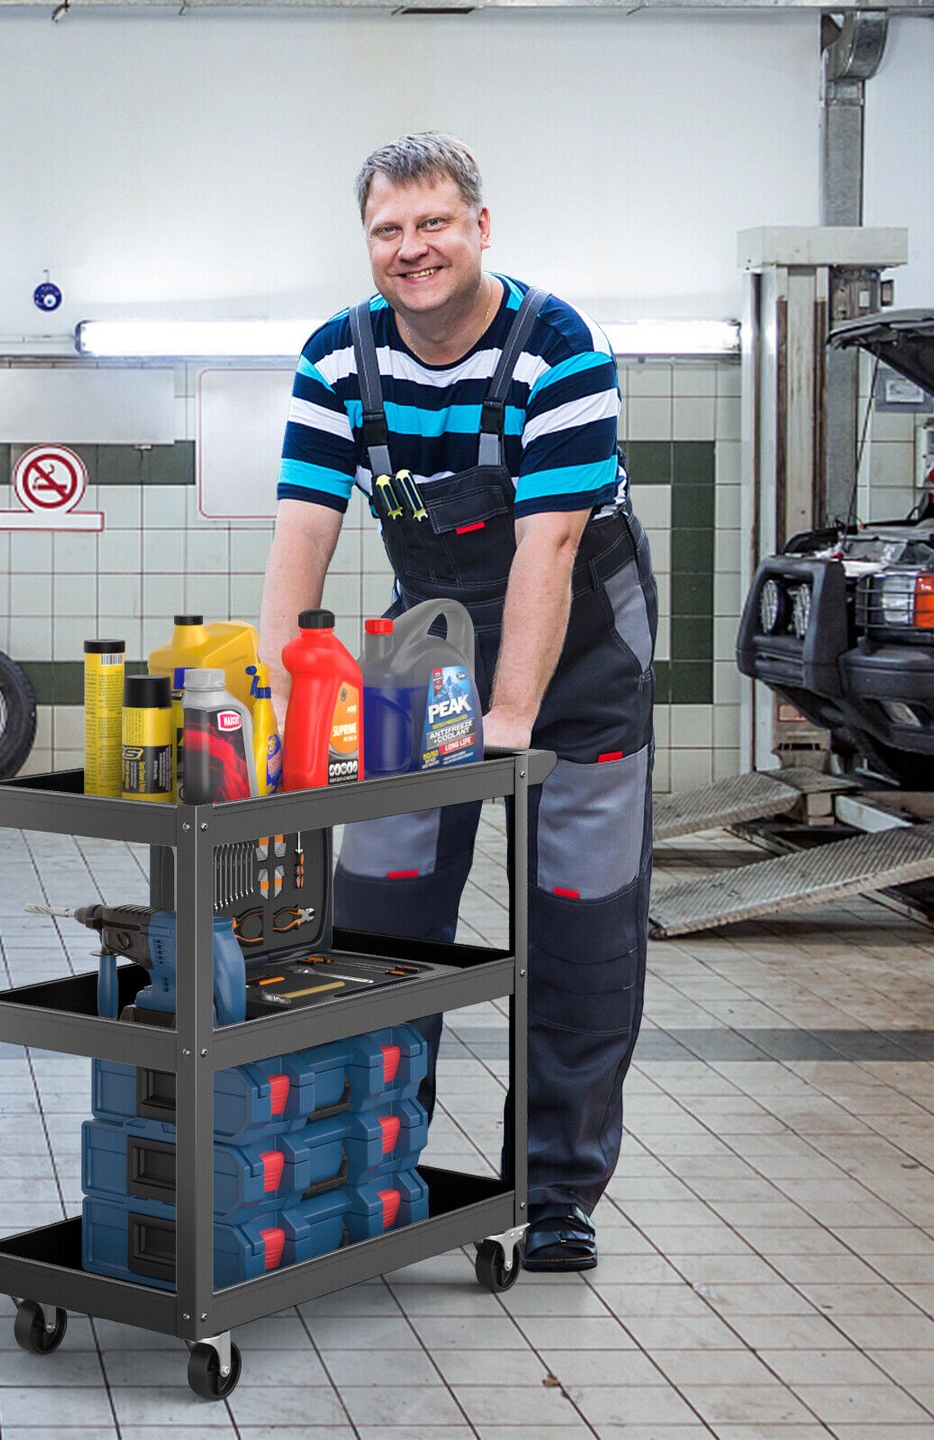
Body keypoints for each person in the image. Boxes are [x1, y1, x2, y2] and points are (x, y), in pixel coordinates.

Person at [259, 133, 656, 1272]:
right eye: (388, 230)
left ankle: (560, 1190)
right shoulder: (340, 358)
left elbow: (553, 542)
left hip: (579, 666)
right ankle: (378, 1165)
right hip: (424, 650)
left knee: (581, 927)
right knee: (382, 921)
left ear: (480, 226)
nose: (411, 249)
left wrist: (513, 718)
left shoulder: (557, 346)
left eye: (433, 223)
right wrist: (295, 711)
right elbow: (304, 532)